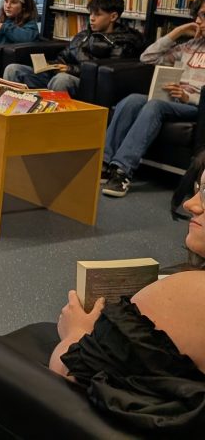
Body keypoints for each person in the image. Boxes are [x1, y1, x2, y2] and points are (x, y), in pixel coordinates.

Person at [49, 166, 205, 433]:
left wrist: (75, 331)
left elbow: (72, 374)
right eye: (198, 189)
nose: (190, 204)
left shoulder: (186, 293)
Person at [101, 0, 205, 197]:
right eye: (198, 16)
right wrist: (177, 32)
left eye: (203, 16)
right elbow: (147, 58)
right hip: (173, 100)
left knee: (154, 106)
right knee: (132, 100)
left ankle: (122, 171)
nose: (198, 21)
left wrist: (187, 97)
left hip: (195, 105)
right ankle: (105, 163)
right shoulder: (191, 45)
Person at [3, 0, 143, 95]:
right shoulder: (84, 35)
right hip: (61, 74)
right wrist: (50, 65)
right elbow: (64, 56)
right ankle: (12, 114)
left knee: (61, 80)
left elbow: (106, 73)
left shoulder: (124, 41)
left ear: (113, 16)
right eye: (91, 14)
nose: (91, 18)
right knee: (13, 70)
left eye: (97, 15)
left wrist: (70, 69)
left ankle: (48, 122)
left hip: (85, 83)